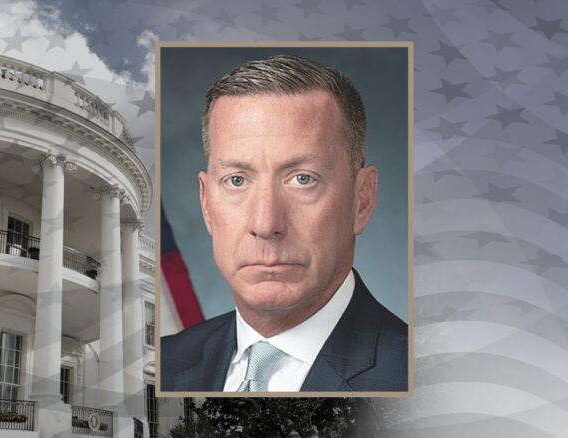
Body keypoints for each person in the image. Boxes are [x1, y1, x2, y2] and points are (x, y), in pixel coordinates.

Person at [160, 54, 408, 392]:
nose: (265, 224)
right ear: (206, 203)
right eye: (237, 180)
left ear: (362, 199)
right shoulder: (161, 364)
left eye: (303, 179)